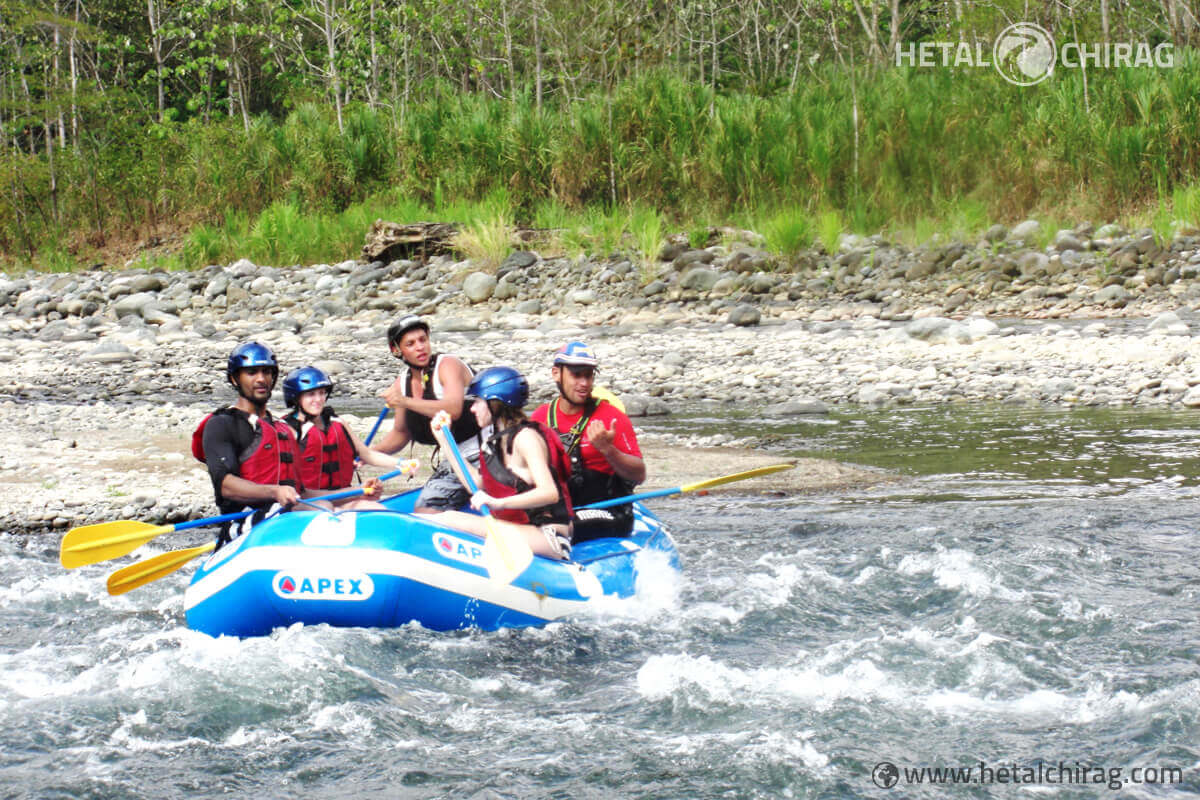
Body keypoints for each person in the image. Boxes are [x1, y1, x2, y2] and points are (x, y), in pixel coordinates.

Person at [434, 367, 574, 560]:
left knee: (450, 518)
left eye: (477, 402)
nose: (472, 408)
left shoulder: (526, 438)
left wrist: (497, 503)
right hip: (523, 532)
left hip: (549, 537)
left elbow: (549, 492)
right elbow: (475, 484)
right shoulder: (495, 441)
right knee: (448, 518)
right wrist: (445, 441)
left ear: (495, 403)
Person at [191, 341, 304, 547]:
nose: (261, 379)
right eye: (251, 373)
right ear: (235, 379)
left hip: (283, 515)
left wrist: (356, 493)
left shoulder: (282, 428)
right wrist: (275, 491)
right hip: (241, 526)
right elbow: (226, 487)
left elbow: (303, 491)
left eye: (267, 372)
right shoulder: (222, 424)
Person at [530, 341, 646, 542]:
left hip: (606, 510)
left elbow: (639, 474)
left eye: (589, 375)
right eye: (577, 375)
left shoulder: (612, 417)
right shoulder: (540, 417)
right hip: (561, 506)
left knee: (561, 525)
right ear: (556, 373)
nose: (584, 383)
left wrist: (608, 450)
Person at [376, 315, 483, 513]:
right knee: (424, 510)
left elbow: (453, 409)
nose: (420, 347)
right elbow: (400, 434)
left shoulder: (448, 365)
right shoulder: (403, 383)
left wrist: (404, 401)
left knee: (428, 510)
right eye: (411, 343)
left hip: (488, 453)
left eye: (423, 340)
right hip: (456, 458)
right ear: (396, 350)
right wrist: (365, 455)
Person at [281, 365, 402, 510]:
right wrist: (355, 492)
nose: (318, 399)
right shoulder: (289, 430)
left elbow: (367, 454)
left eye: (321, 393)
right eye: (311, 394)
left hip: (341, 498)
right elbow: (298, 491)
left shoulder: (338, 422)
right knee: (325, 507)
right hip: (306, 501)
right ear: (296, 398)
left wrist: (401, 463)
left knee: (373, 508)